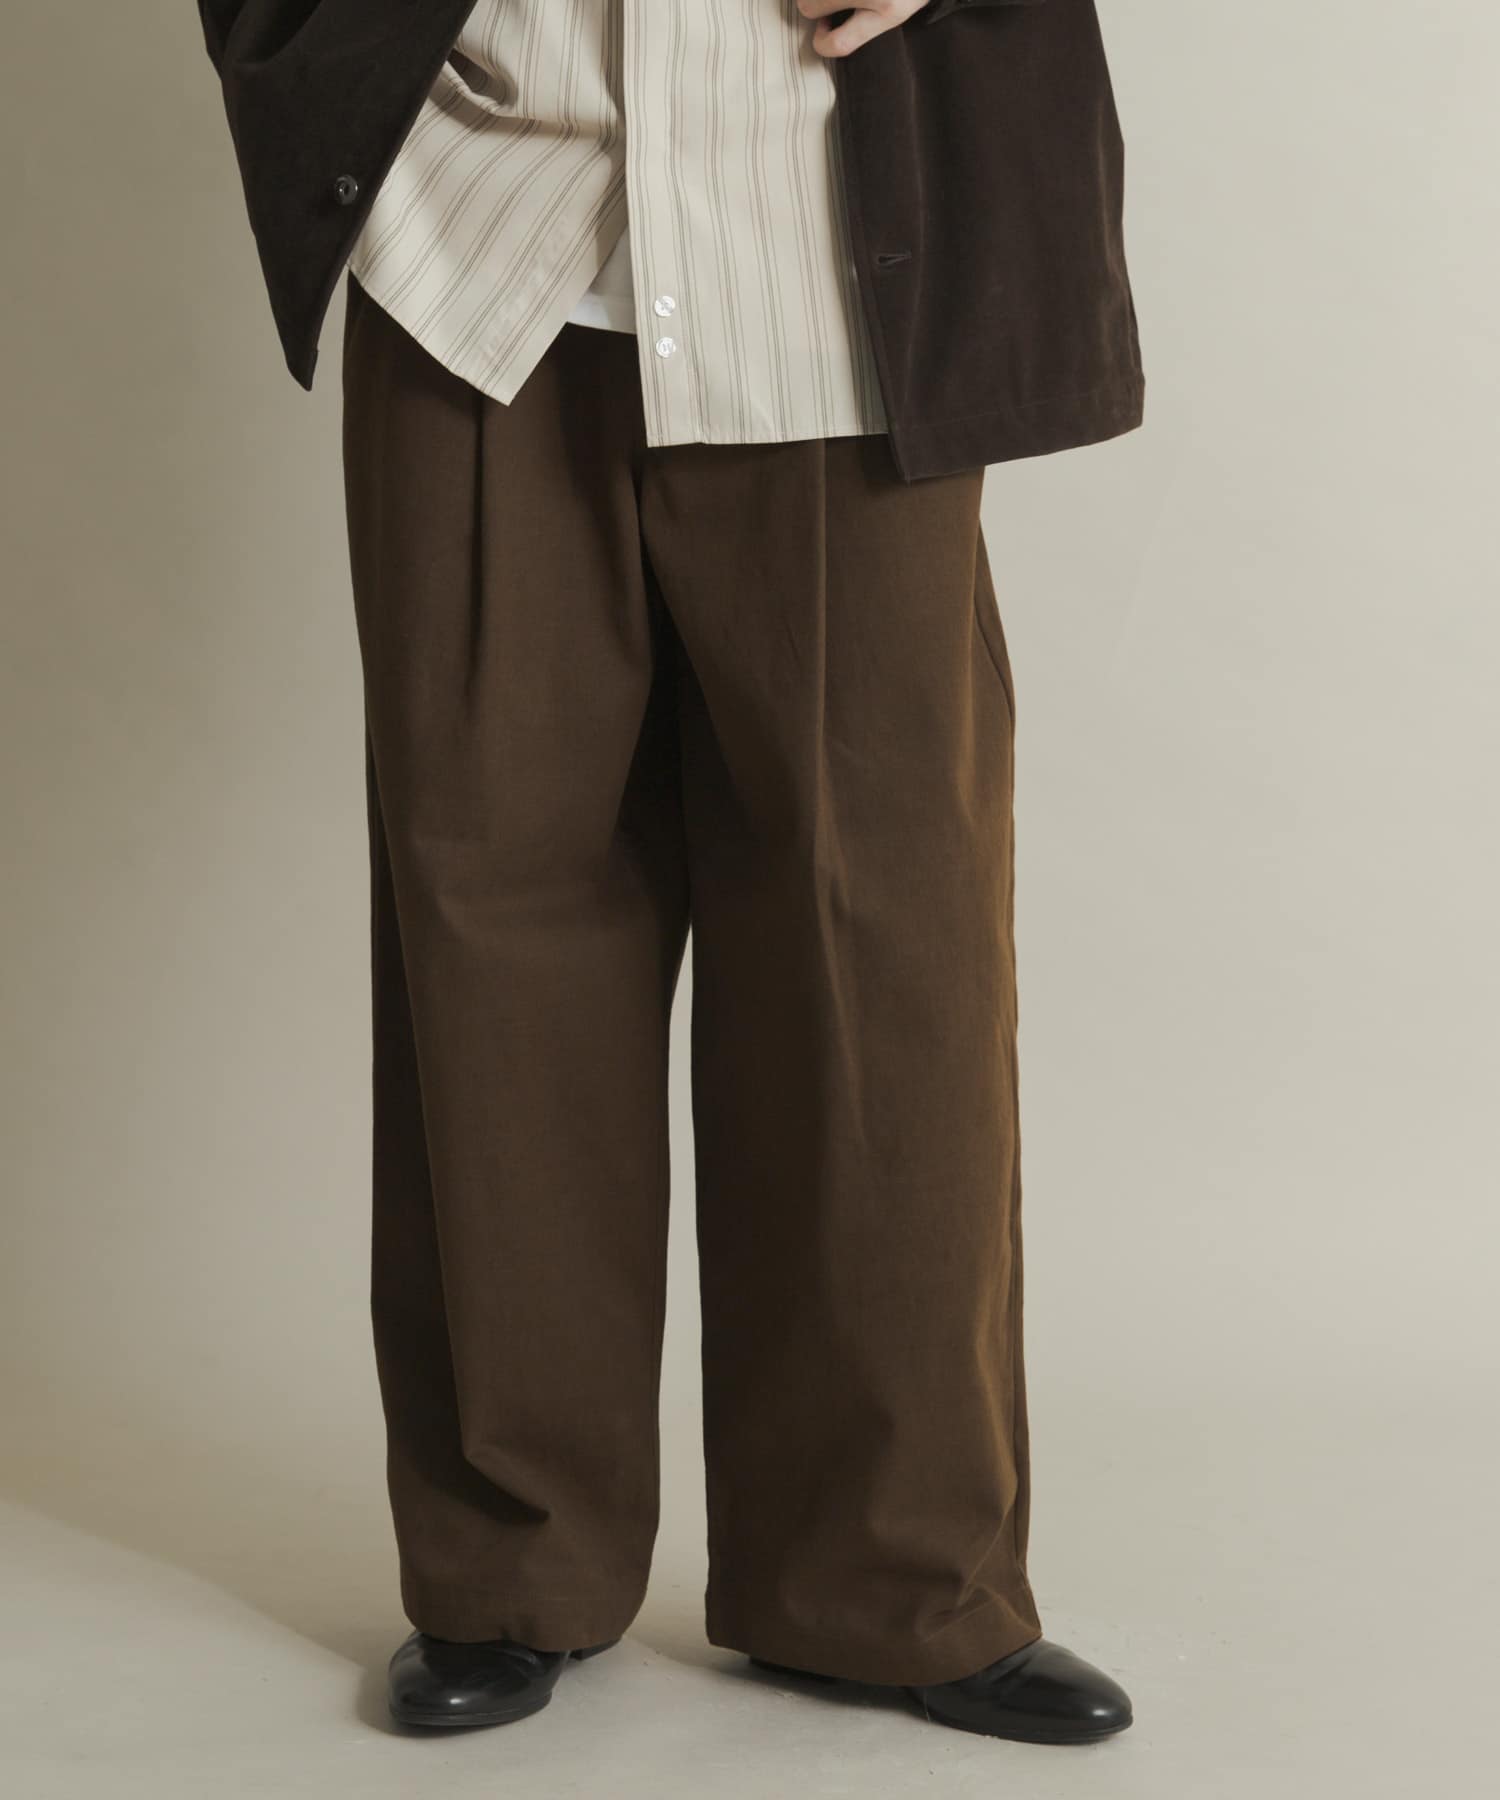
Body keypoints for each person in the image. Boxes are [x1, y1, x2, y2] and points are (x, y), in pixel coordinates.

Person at [196, 0, 1145, 1745]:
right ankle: (511, 1565)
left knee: (889, 946)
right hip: (469, 234)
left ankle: (890, 1578)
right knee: (487, 914)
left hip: (839, 256)